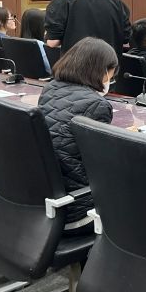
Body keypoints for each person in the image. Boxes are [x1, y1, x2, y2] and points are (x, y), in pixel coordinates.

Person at [38, 37, 118, 235]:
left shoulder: (50, 88)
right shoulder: (97, 105)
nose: (110, 80)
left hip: (43, 199)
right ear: (101, 71)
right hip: (79, 207)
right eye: (111, 74)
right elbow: (102, 165)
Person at [45, 0, 131, 57]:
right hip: (110, 62)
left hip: (76, 63)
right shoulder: (116, 1)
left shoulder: (63, 0)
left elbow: (52, 42)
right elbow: (126, 39)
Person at [20, 9, 51, 75]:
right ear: (39, 26)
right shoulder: (39, 44)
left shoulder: (17, 42)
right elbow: (50, 68)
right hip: (42, 79)